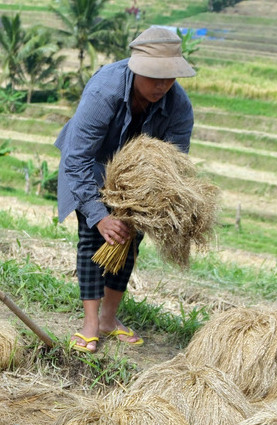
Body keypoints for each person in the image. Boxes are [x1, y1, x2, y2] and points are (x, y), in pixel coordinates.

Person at [55, 26, 195, 353]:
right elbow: (77, 158)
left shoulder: (179, 106)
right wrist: (100, 216)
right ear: (136, 68)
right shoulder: (105, 90)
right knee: (93, 236)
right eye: (154, 77)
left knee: (129, 239)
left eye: (169, 78)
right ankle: (91, 323)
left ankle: (108, 318)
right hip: (91, 166)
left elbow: (173, 166)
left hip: (142, 181)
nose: (162, 85)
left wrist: (145, 208)